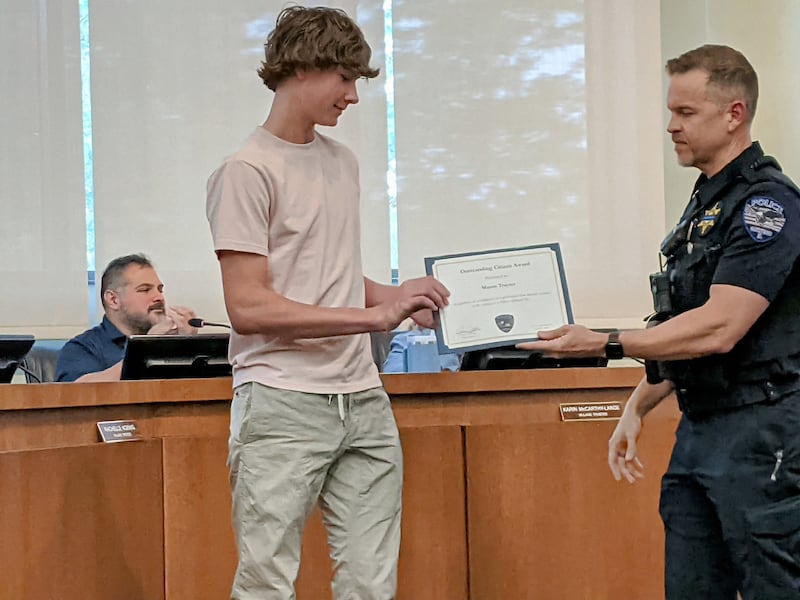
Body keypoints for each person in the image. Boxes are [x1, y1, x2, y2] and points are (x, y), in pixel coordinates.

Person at [518, 45, 800, 599]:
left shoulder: (768, 206)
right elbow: (687, 326)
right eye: (671, 111)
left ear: (734, 113)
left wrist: (607, 343)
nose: (671, 126)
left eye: (687, 113)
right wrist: (638, 406)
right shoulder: (707, 204)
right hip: (700, 430)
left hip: (761, 433)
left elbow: (721, 326)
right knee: (690, 586)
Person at [205, 7, 449, 600]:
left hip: (362, 397)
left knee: (371, 581)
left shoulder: (341, 162)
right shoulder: (245, 171)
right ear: (302, 66)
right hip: (282, 400)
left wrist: (396, 296)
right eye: (345, 78)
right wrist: (373, 317)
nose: (353, 96)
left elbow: (328, 273)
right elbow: (250, 308)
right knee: (268, 581)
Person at [55, 253, 198, 382]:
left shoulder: (170, 342)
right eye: (145, 290)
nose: (159, 297)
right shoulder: (84, 347)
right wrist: (147, 349)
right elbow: (75, 395)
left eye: (160, 290)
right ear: (113, 300)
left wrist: (187, 346)